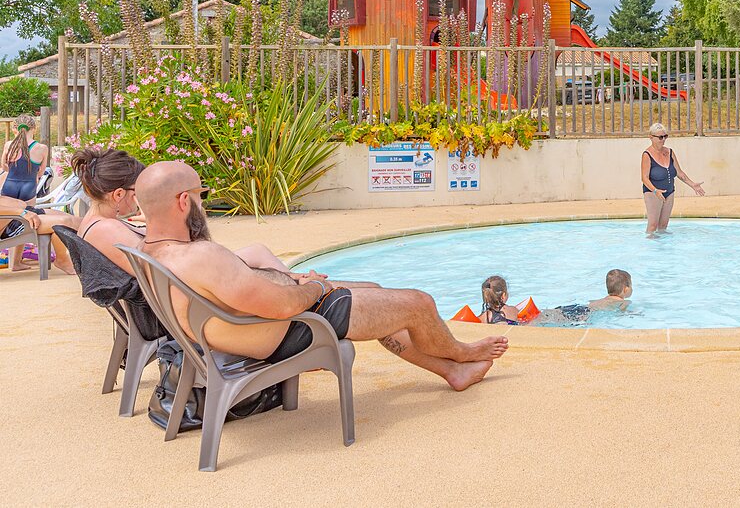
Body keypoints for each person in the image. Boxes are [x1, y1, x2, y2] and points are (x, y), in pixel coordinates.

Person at [135, 161, 507, 390]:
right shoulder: (199, 255)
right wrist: (315, 286)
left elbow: (247, 291)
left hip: (253, 326)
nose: (203, 204)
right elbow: (281, 306)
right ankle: (461, 352)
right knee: (418, 303)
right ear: (184, 201)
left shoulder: (151, 252)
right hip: (293, 327)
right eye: (200, 196)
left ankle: (449, 372)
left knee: (376, 291)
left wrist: (290, 282)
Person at [74, 147, 317, 279]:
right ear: (118, 195)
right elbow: (161, 268)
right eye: (137, 192)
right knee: (258, 254)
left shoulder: (98, 223)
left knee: (257, 253)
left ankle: (298, 284)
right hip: (175, 300)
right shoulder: (107, 229)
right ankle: (302, 291)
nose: (141, 200)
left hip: (169, 292)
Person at [640, 122, 705, 236]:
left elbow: (679, 173)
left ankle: (664, 250)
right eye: (660, 137)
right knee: (653, 225)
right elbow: (644, 178)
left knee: (663, 226)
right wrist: (655, 191)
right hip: (653, 193)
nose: (663, 139)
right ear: (651, 137)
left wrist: (692, 184)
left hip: (669, 192)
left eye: (665, 136)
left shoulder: (669, 152)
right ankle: (651, 250)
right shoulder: (647, 154)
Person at [0, 194, 78, 274]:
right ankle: (62, 260)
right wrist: (22, 212)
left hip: (19, 213)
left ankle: (17, 263)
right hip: (13, 220)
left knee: (76, 221)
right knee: (64, 222)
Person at [548, 269, 633, 324]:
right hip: (586, 314)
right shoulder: (623, 302)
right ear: (626, 289)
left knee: (555, 315)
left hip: (581, 307)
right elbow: (622, 314)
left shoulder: (603, 300)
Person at [1, 115, 48, 202]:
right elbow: (41, 173)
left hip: (9, 185)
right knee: (28, 213)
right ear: (34, 129)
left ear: (14, 129)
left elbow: (3, 167)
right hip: (29, 186)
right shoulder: (42, 148)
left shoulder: (9, 145)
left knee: (9, 214)